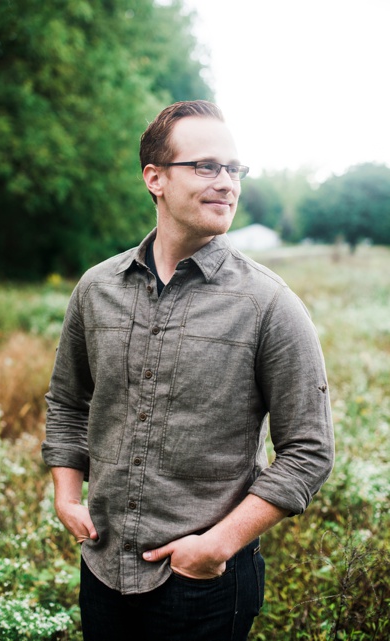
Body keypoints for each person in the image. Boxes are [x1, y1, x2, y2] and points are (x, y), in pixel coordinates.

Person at [41, 100, 335, 640]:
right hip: (102, 569)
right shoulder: (96, 289)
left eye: (233, 169)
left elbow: (309, 451)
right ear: (154, 178)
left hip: (207, 583)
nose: (226, 183)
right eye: (205, 167)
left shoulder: (270, 304)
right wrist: (66, 494)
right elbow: (67, 401)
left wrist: (214, 547)